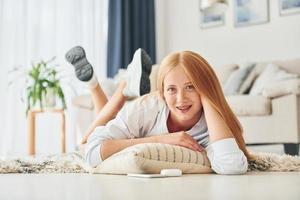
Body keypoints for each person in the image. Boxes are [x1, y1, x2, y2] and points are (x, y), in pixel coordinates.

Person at [65, 46, 252, 175]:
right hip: (135, 119)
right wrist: (161, 139)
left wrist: (208, 95)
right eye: (171, 89)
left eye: (191, 87)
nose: (181, 99)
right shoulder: (148, 107)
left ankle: (107, 85)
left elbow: (232, 166)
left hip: (128, 134)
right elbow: (92, 152)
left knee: (91, 137)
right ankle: (120, 88)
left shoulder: (211, 126)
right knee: (83, 144)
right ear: (162, 92)